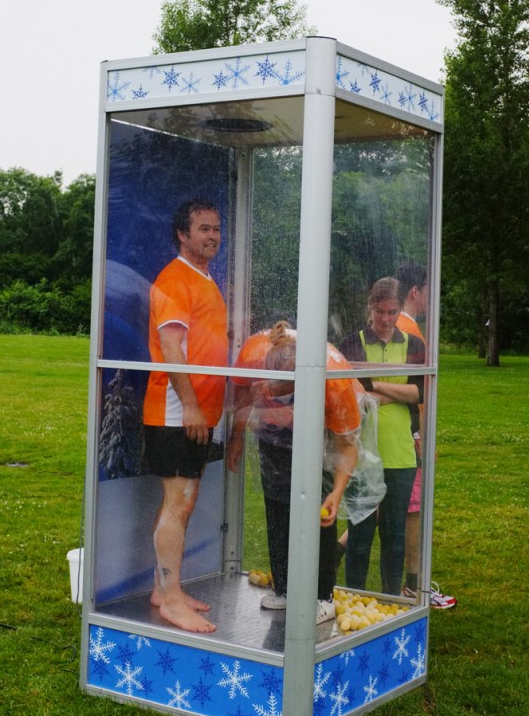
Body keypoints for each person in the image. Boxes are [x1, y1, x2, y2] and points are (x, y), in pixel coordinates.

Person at [226, 323, 360, 624]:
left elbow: (347, 445)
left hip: (320, 435)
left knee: (318, 515)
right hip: (271, 435)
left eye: (289, 394)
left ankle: (323, 596)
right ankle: (285, 588)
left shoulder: (334, 382)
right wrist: (236, 437)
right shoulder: (252, 356)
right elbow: (242, 395)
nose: (278, 398)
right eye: (273, 391)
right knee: (276, 507)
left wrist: (336, 493)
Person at [143, 199, 227, 634]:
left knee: (182, 502)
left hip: (197, 413)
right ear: (182, 234)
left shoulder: (205, 278)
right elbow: (172, 348)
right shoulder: (175, 279)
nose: (213, 236)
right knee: (178, 503)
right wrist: (191, 405)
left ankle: (164, 589)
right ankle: (171, 599)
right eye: (203, 229)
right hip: (176, 411)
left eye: (216, 229)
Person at [339, 277, 425, 596]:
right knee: (359, 535)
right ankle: (353, 599)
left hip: (401, 452)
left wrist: (375, 386)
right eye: (380, 311)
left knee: (394, 536)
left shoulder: (414, 345)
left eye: (392, 312)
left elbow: (418, 392)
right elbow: (351, 391)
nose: (385, 319)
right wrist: (396, 391)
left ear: (400, 309)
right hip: (361, 454)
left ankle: (390, 602)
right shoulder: (351, 343)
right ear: (370, 307)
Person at [395, 261, 456, 610]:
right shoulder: (410, 333)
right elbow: (417, 393)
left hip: (396, 431)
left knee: (391, 499)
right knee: (413, 507)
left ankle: (339, 549)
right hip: (408, 434)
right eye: (429, 289)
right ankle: (414, 586)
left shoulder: (397, 327)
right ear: (416, 292)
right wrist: (423, 438)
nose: (433, 297)